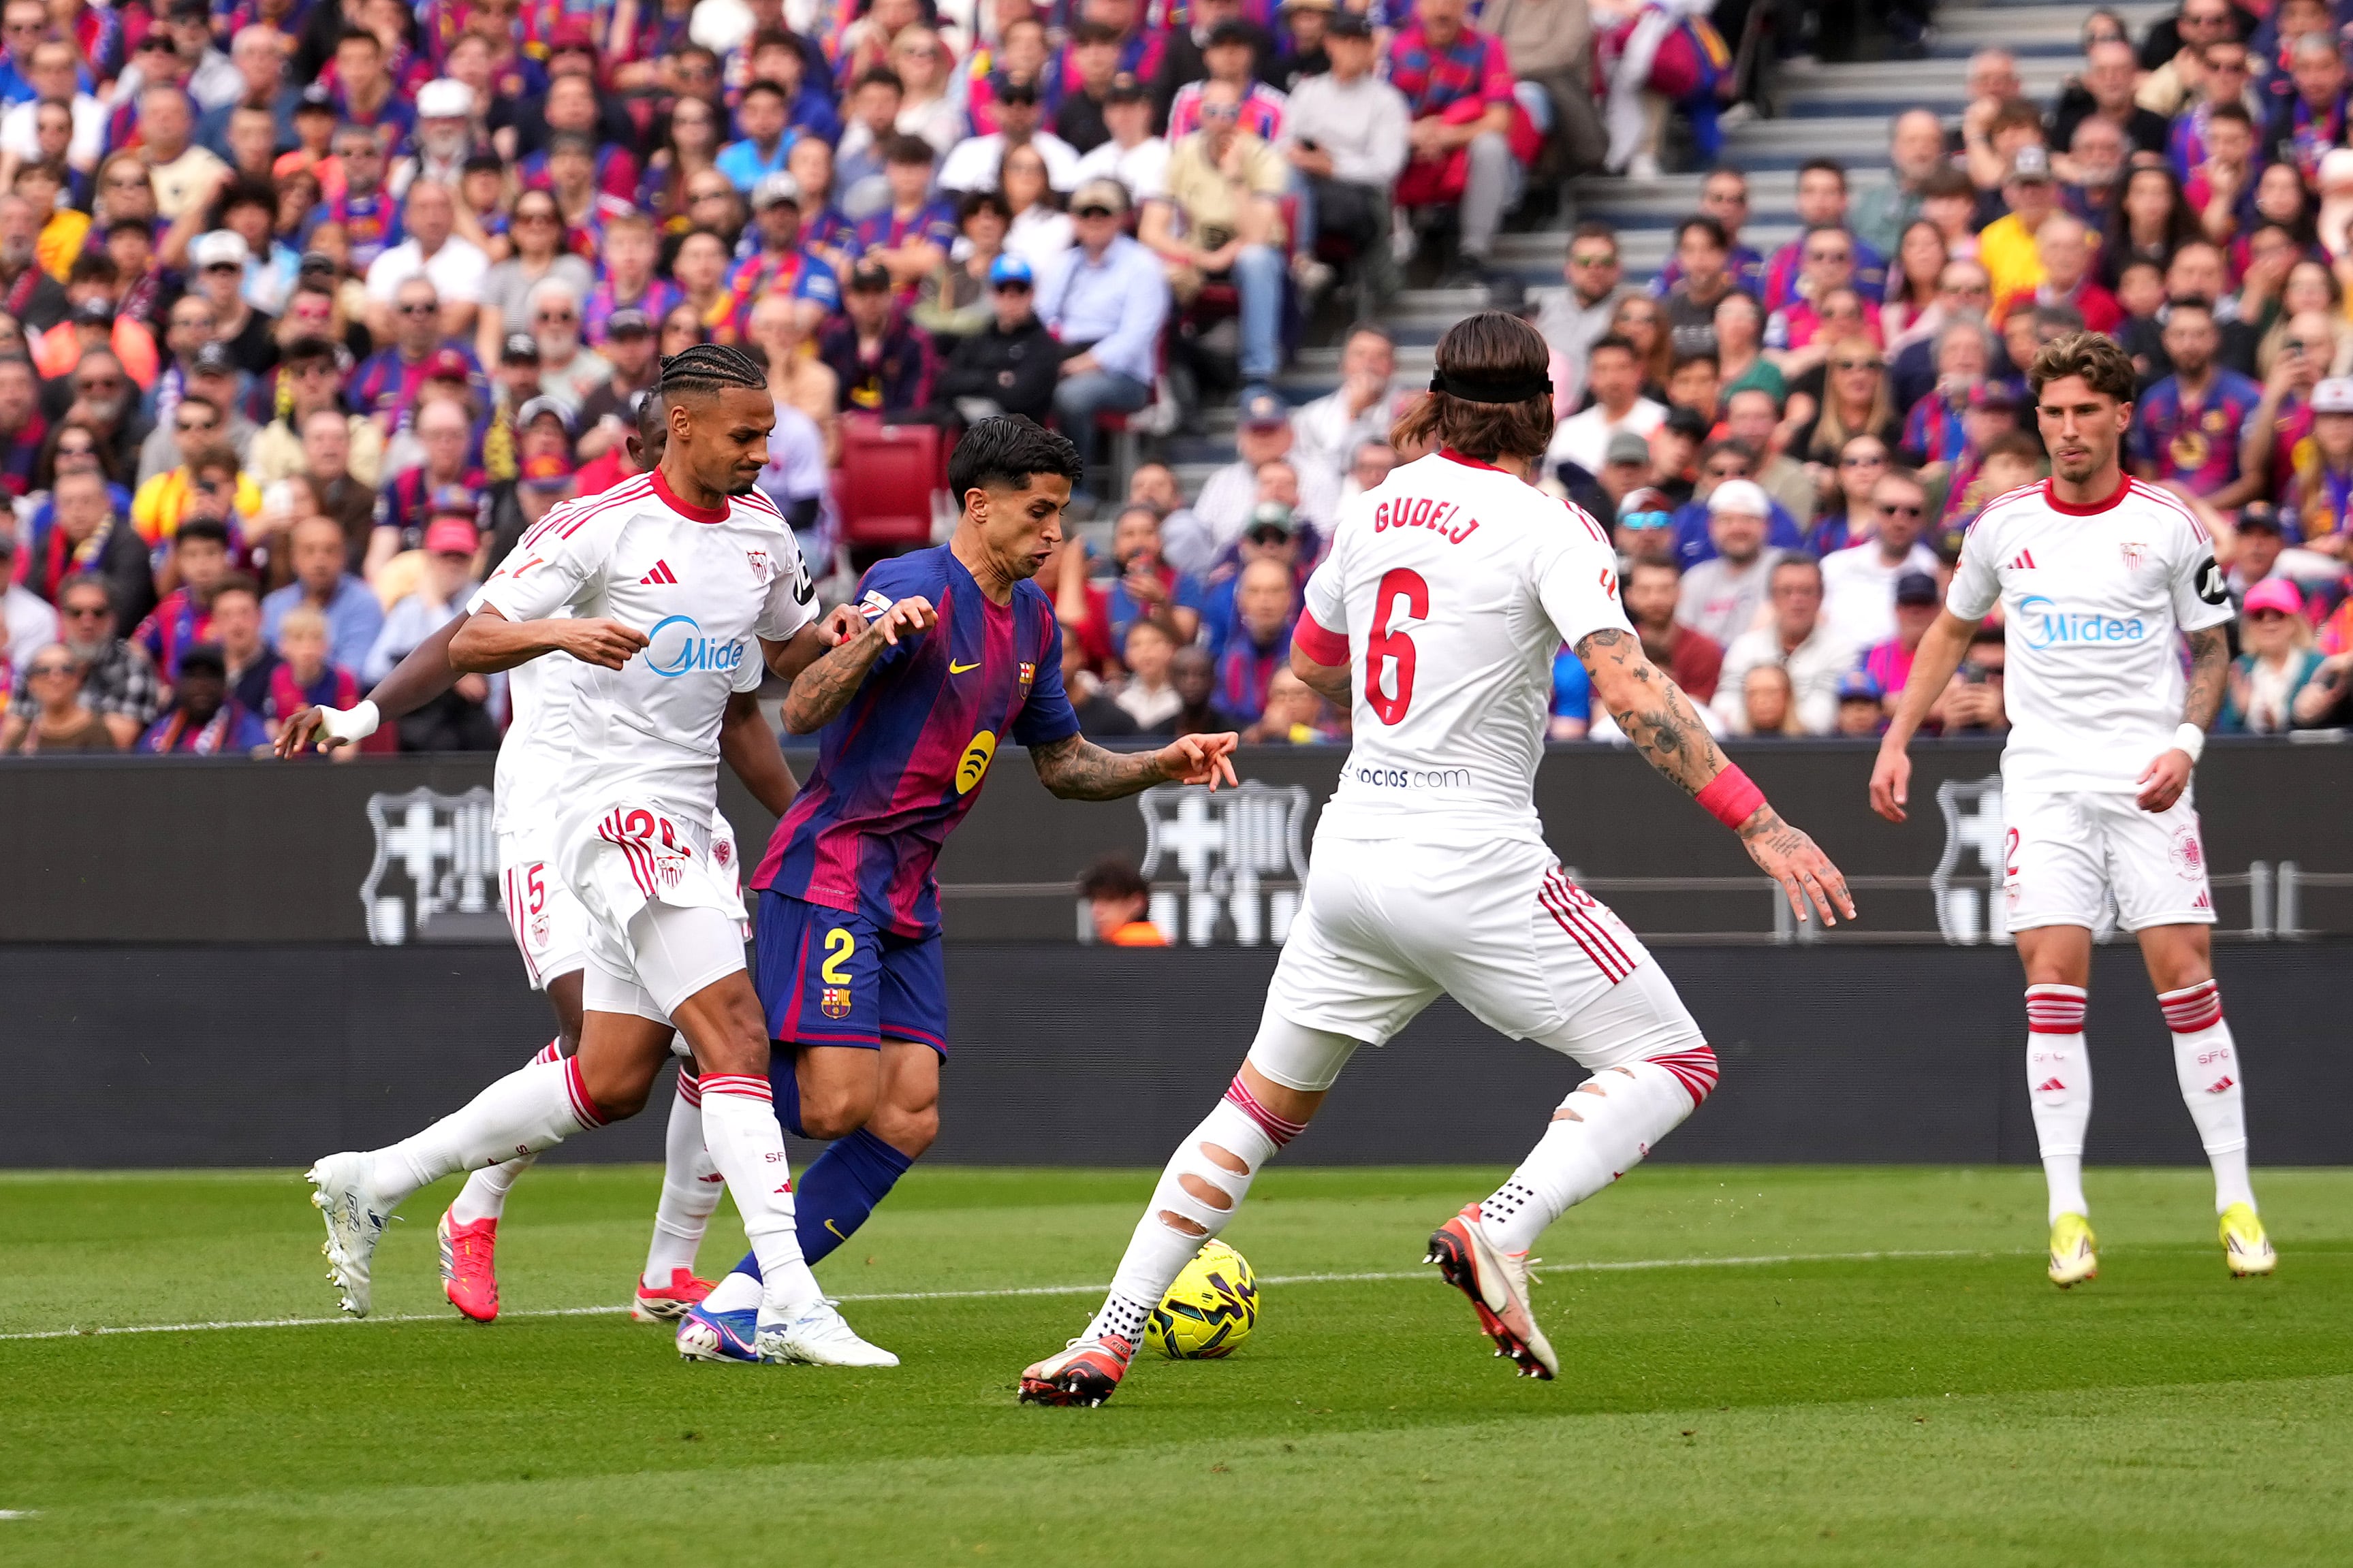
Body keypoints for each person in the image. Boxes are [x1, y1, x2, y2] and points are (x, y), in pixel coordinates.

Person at [1017, 312, 1853, 1407]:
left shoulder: (1368, 511)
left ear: (1441, 401)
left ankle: (1106, 1332)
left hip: (1353, 850)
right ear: (1544, 406)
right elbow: (1630, 689)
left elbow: (1314, 667)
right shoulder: (1551, 524)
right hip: (1470, 854)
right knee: (1671, 1061)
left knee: (1253, 1110)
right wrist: (1757, 818)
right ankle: (1498, 1224)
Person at [300, 345, 899, 1363]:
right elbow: (474, 636)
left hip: (687, 810)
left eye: (767, 432)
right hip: (598, 805)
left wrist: (849, 633)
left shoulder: (761, 534)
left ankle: (382, 1176)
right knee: (733, 1034)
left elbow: (782, 655)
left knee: (615, 1074)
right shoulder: (597, 526)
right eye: (744, 433)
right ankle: (787, 1300)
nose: (764, 450)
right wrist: (562, 633)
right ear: (681, 425)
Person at [677, 416, 1242, 1362]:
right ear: (978, 506)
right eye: (1038, 511)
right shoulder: (908, 585)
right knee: (831, 1106)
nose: (1055, 533)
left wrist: (1160, 762)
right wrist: (869, 642)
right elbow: (805, 701)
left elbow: (1061, 763)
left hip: (908, 893)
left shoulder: (1031, 622)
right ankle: (702, 1046)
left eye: (1062, 513)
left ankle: (739, 1302)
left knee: (908, 1113)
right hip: (835, 869)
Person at [1872, 330, 2270, 1287]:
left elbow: (2213, 646)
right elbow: (1950, 629)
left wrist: (2184, 743)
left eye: (2084, 411)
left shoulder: (2168, 524)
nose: (2065, 430)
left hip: (2143, 777)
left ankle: (2235, 1197)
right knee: (2050, 978)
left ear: (2121, 415)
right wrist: (1896, 736)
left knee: (2183, 975)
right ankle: (2066, 1213)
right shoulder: (2003, 524)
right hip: (2043, 780)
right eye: (2050, 413)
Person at [1143, 76, 1287, 393]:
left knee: (1256, 260)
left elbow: (1259, 234)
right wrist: (1198, 256)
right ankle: (1162, 380)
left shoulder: (1262, 154)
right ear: (1199, 114)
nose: (1221, 121)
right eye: (1213, 112)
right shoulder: (1184, 152)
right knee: (1151, 268)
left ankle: (1258, 373)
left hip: (1251, 249)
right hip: (1202, 250)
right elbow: (1150, 230)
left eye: (1230, 113)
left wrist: (1235, 177)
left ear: (1241, 115)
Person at [1034, 177, 1166, 470]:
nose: (1094, 220)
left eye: (1103, 213)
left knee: (1073, 396)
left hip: (1123, 374)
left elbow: (1136, 337)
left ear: (1120, 218)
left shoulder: (1142, 265)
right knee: (1017, 387)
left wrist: (1082, 364)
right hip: (1064, 355)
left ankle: (1078, 485)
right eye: (1085, 213)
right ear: (1074, 219)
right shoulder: (1063, 264)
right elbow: (1041, 317)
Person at [1714, 555, 1849, 737]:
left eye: (1806, 591)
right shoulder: (1744, 647)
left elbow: (1823, 719)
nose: (1796, 600)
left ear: (1821, 597)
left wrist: (1764, 716)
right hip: (1747, 750)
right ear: (1772, 598)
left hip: (1814, 754)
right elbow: (1723, 708)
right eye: (1787, 591)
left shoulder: (1841, 649)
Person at [1819, 469, 1940, 652]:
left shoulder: (1935, 572)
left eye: (1913, 512)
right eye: (1889, 510)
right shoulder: (1834, 566)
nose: (1900, 521)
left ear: (1924, 518)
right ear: (1873, 511)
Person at [932, 255, 1058, 426]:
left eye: (1019, 290)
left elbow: (1019, 398)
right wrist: (994, 379)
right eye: (1002, 290)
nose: (1010, 298)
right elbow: (946, 382)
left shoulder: (1042, 344)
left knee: (984, 416)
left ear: (1031, 294)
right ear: (992, 294)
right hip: (967, 435)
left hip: (1020, 440)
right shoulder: (978, 336)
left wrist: (975, 382)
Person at [263, 514, 383, 675]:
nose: (320, 560)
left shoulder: (364, 603)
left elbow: (353, 672)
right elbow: (265, 667)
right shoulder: (274, 605)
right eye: (309, 550)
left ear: (344, 557)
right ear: (294, 558)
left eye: (330, 550)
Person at [1675, 479, 1782, 649]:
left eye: (1748, 520)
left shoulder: (1784, 570)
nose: (1737, 529)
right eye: (1726, 520)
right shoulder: (1695, 579)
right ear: (1711, 527)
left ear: (1766, 525)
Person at [138, 640, 268, 753]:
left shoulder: (245, 729)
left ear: (224, 684)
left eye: (210, 676)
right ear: (179, 685)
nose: (201, 686)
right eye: (193, 677)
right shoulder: (159, 732)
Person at [3, 639, 114, 752]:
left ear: (78, 679)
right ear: (31, 682)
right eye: (44, 671)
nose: (55, 679)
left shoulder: (98, 733)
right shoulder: (21, 739)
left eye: (66, 669)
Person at [1077, 856, 1165, 945]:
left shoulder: (1137, 942)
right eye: (1093, 900)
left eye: (1109, 899)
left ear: (1136, 903)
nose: (1096, 910)